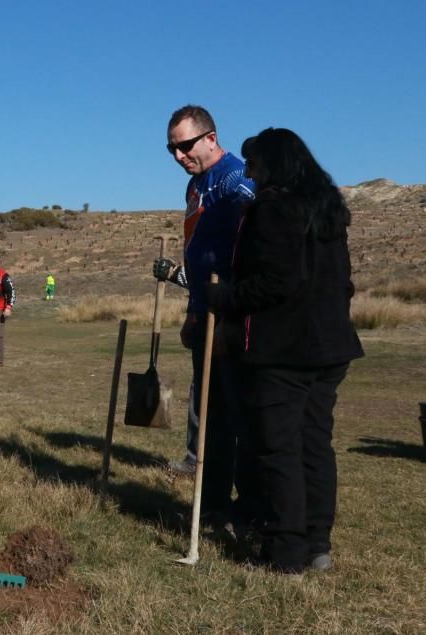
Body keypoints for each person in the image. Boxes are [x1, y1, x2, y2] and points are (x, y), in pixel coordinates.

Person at [206, 127, 363, 573]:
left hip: (284, 352)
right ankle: (317, 543)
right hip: (330, 348)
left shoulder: (273, 208)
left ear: (274, 164)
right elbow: (344, 282)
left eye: (254, 166)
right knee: (315, 445)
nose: (251, 176)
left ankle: (287, 550)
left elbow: (277, 281)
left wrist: (225, 298)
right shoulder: (328, 208)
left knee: (280, 450)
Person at [154, 104, 258, 529]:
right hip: (205, 311)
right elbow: (199, 252)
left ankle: (248, 507)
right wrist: (194, 310)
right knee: (212, 416)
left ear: (211, 138)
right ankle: (212, 505)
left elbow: (258, 215)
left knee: (241, 416)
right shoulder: (196, 186)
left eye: (185, 145)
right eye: (171, 149)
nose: (179, 155)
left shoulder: (234, 175)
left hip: (235, 316)